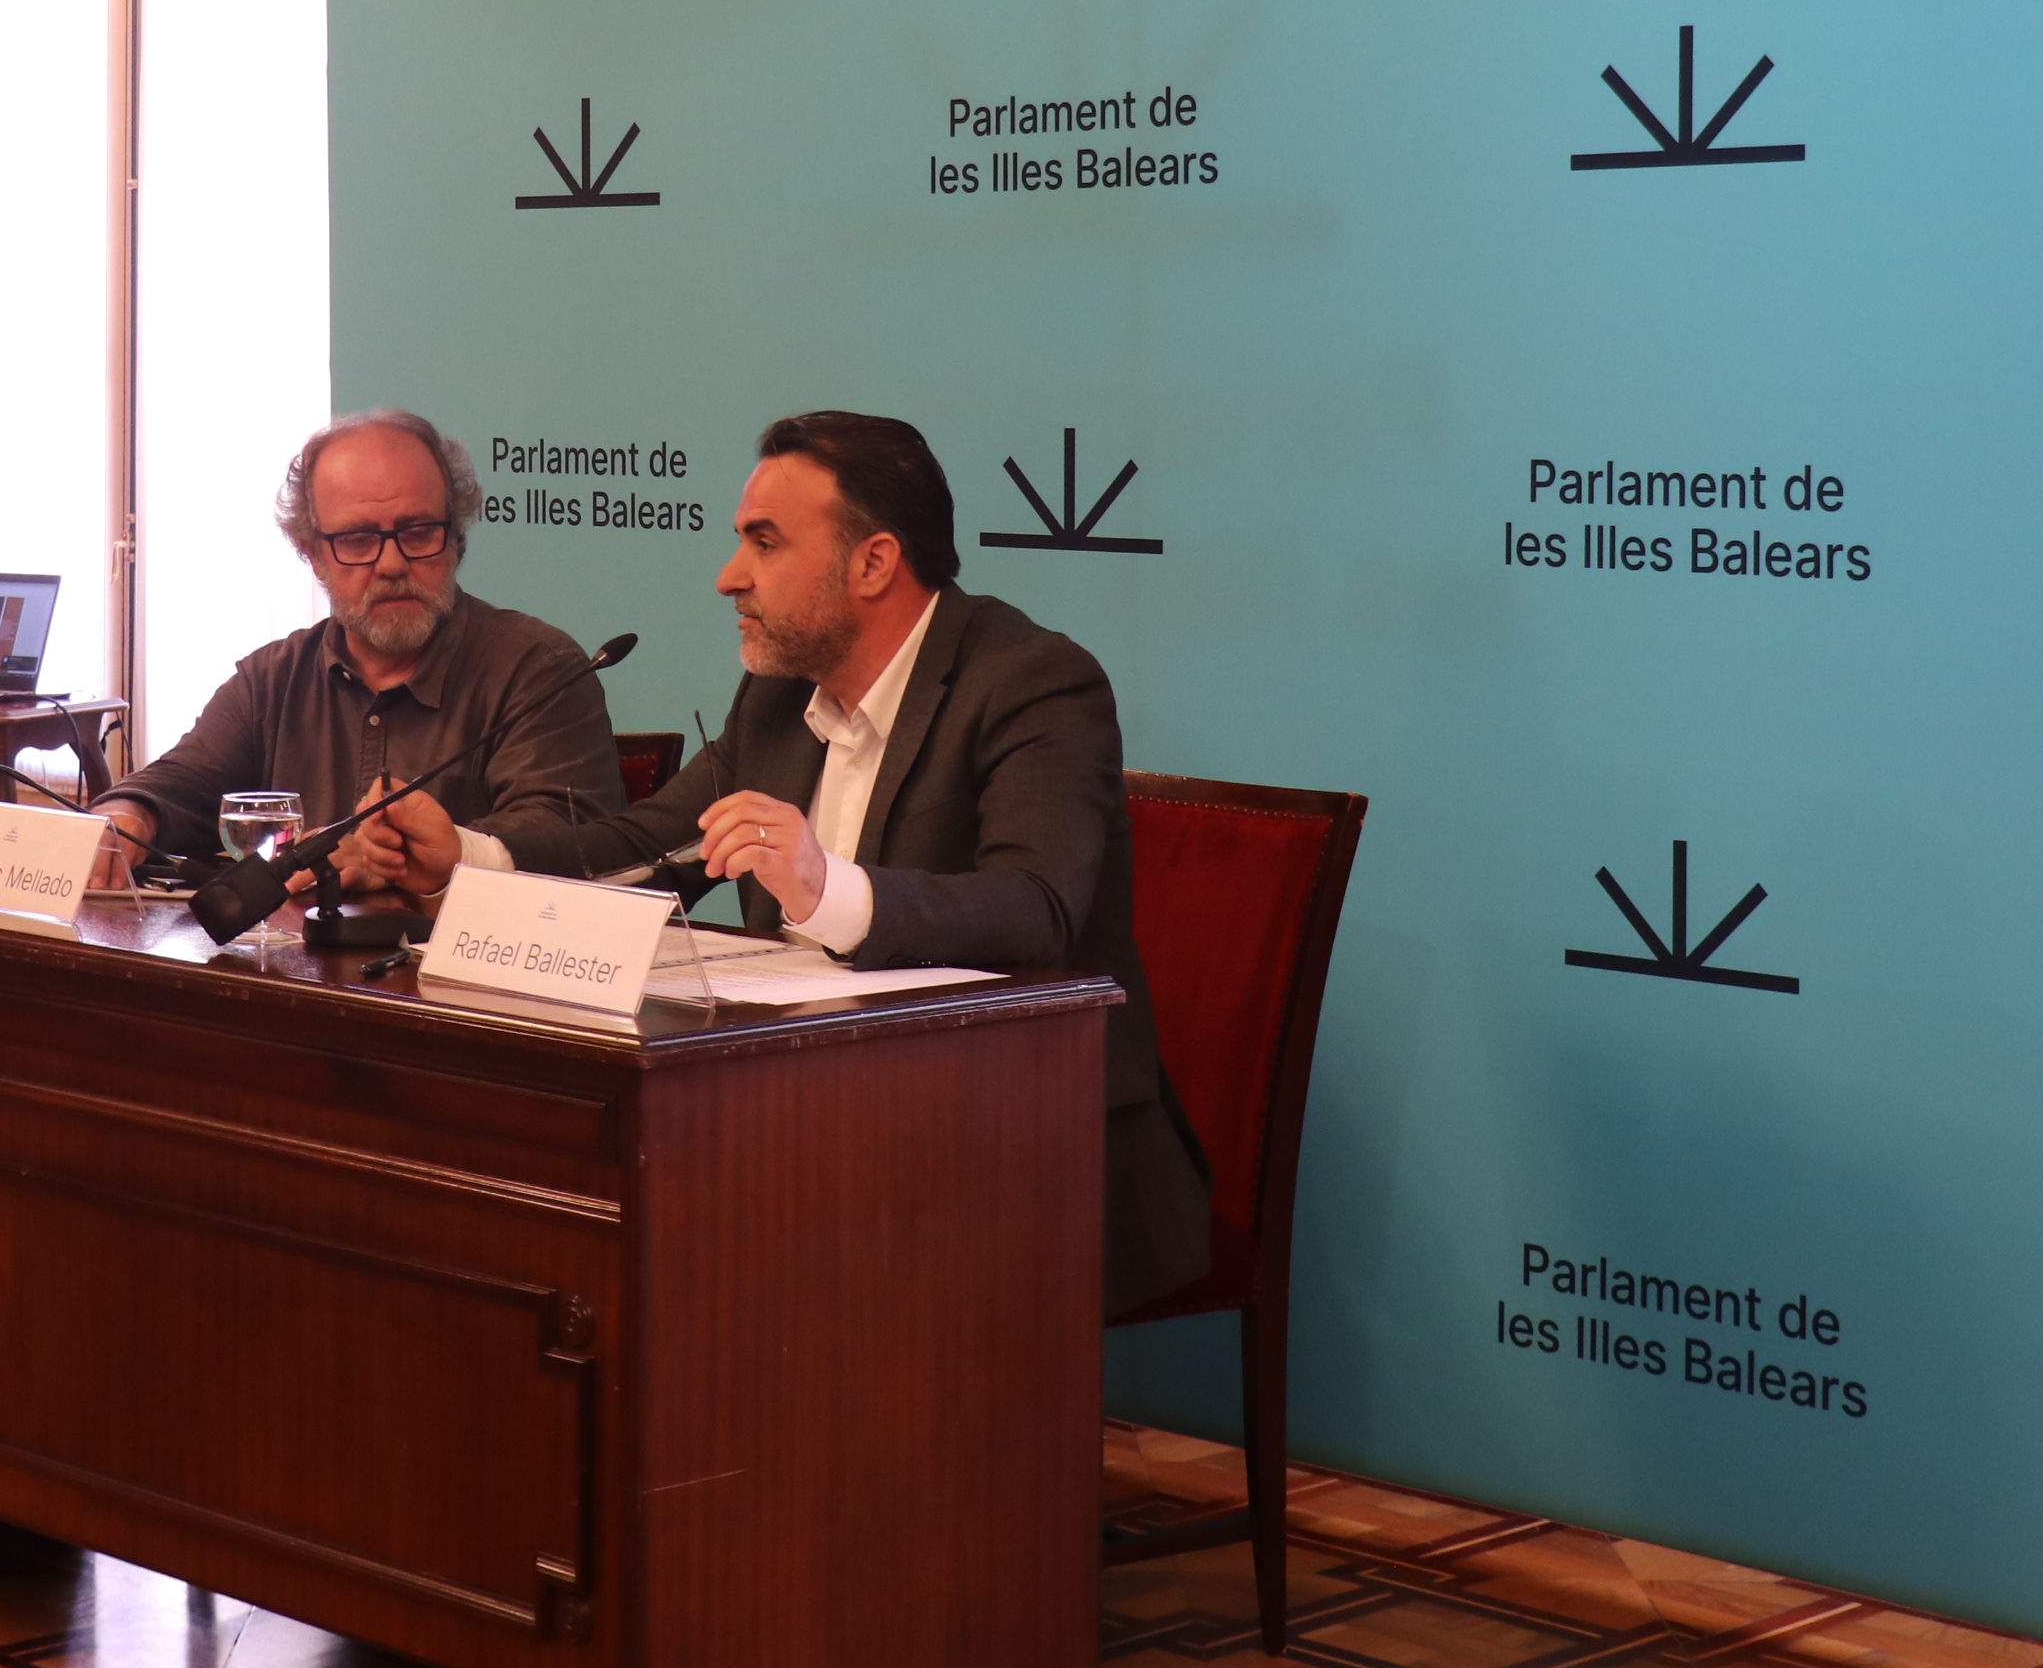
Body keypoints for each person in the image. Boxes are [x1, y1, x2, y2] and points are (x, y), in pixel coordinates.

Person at [347, 409, 1216, 1314]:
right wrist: (468, 856)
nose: (730, 576)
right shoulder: (776, 694)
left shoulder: (1033, 681)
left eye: (764, 544)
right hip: (811, 1112)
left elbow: (1038, 909)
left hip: (1027, 1141)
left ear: (873, 562)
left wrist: (824, 887)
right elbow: (653, 845)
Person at [89, 409, 624, 885]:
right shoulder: (272, 679)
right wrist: (129, 813)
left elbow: (563, 834)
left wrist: (398, 860)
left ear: (455, 536)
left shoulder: (538, 668)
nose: (392, 564)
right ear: (312, 553)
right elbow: (184, 780)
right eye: (358, 540)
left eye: (418, 532)